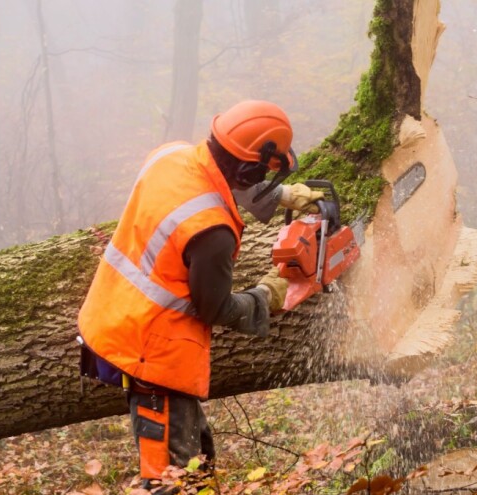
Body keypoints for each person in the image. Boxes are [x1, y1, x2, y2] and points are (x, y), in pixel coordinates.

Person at [77, 100, 323, 492]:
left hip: (115, 314)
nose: (263, 177)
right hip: (152, 349)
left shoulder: (172, 156)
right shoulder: (212, 231)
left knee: (198, 458)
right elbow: (215, 307)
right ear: (245, 167)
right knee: (171, 477)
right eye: (261, 172)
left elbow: (214, 182)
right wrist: (267, 296)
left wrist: (280, 196)